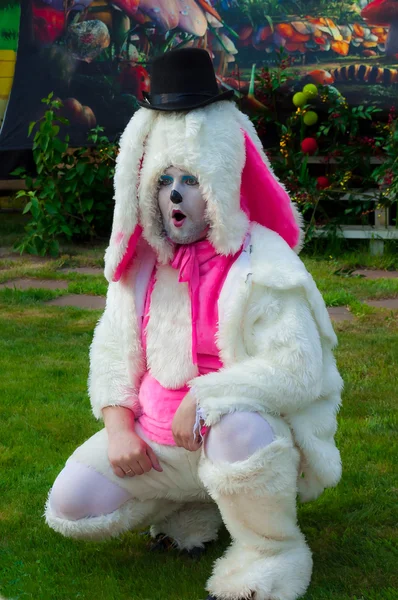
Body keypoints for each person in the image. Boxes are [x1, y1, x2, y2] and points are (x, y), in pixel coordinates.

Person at [45, 48, 343, 600]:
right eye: (165, 181)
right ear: (145, 189)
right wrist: (117, 429)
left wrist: (207, 395)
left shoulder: (265, 261)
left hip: (243, 433)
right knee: (72, 506)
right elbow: (112, 354)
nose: (176, 194)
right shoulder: (141, 270)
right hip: (159, 439)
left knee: (237, 427)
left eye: (191, 179)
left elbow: (296, 369)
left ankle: (269, 549)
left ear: (223, 182)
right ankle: (191, 505)